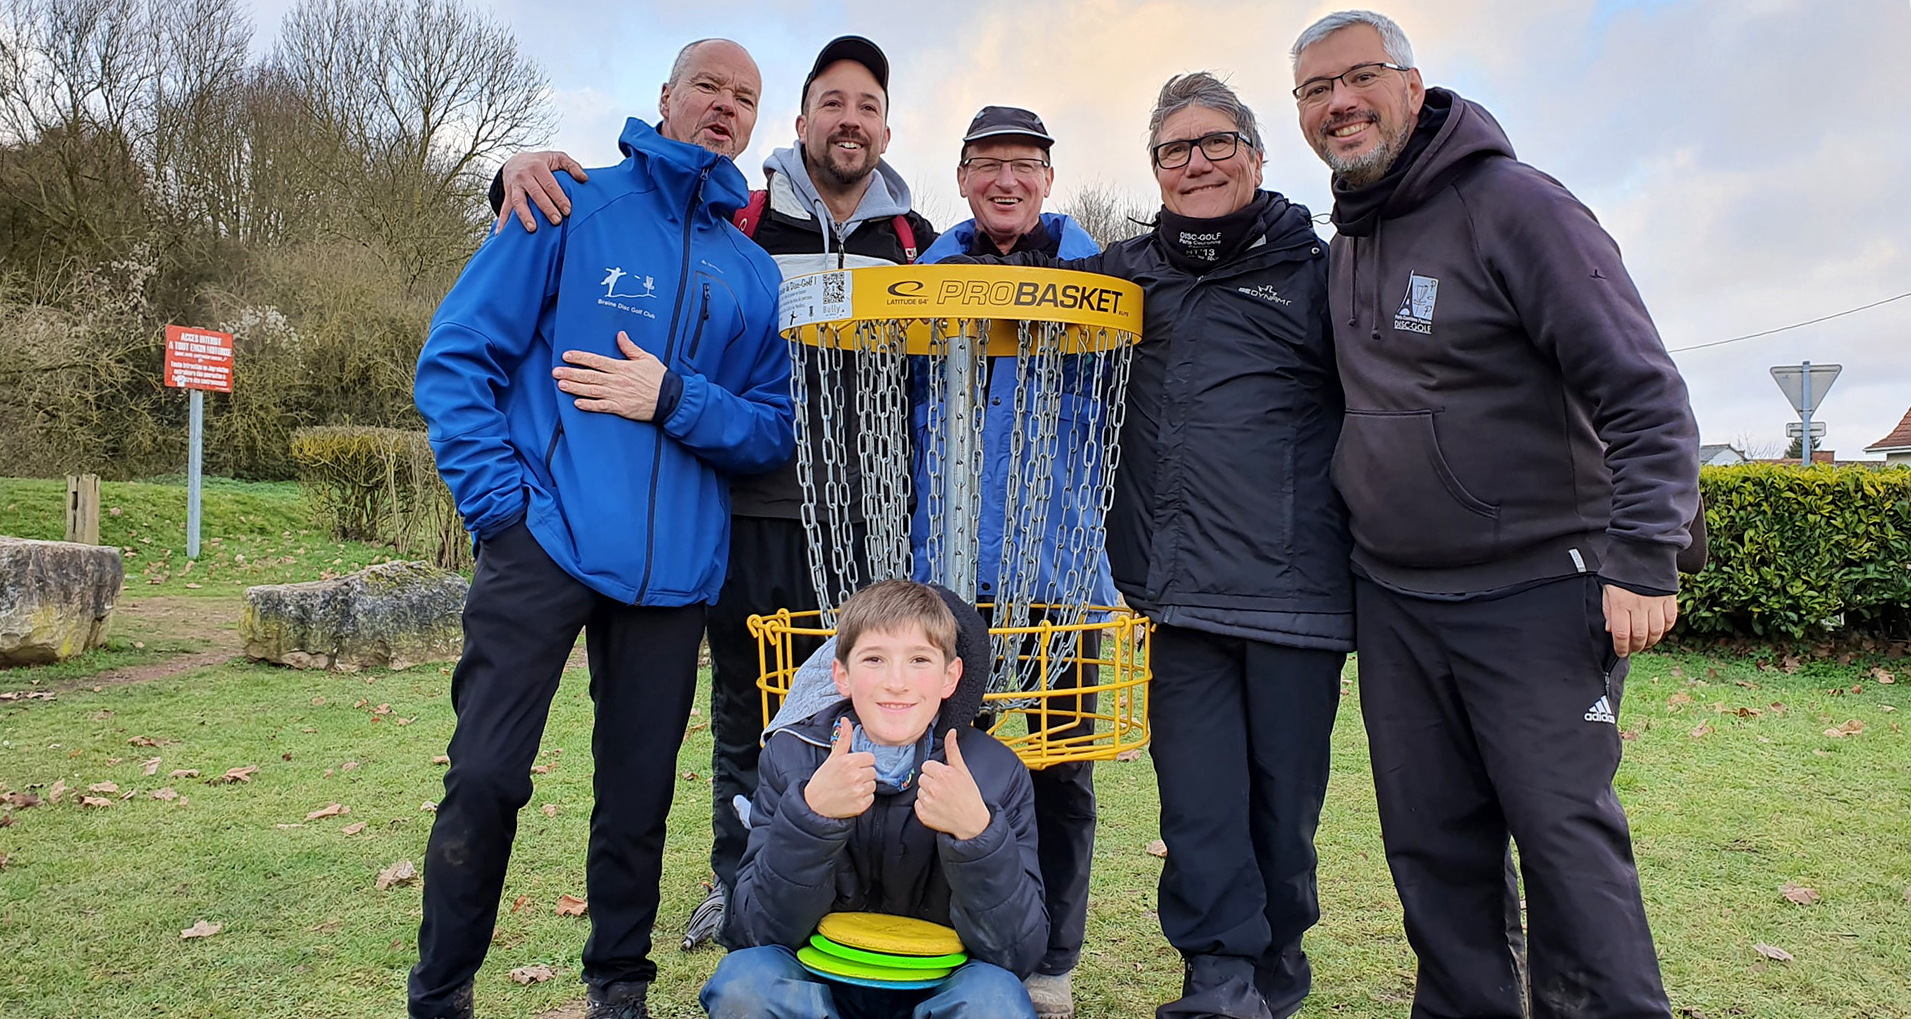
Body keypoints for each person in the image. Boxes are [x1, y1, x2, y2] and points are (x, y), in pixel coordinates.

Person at [1289, 11, 1701, 1019]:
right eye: (1314, 90)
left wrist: (1645, 553)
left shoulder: (1516, 206)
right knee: (1433, 850)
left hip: (1536, 589)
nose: (1339, 103)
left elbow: (1643, 390)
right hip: (1397, 598)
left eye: (1359, 78)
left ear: (1413, 85)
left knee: (1565, 842)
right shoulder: (1348, 242)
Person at [491, 37, 938, 951]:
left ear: (886, 129)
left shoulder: (919, 243)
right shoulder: (740, 218)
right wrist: (508, 171)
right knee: (748, 704)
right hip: (745, 507)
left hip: (865, 520)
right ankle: (738, 882)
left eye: (866, 107)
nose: (848, 121)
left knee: (864, 707)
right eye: (831, 103)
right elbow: (630, 230)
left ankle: (845, 888)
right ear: (801, 120)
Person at [948, 74, 1354, 1019]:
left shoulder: (1320, 273)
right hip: (1174, 594)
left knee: (1282, 818)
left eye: (1216, 144)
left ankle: (1276, 969)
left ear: (1255, 156)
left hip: (1295, 594)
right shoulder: (1127, 279)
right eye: (1175, 150)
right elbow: (998, 281)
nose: (1197, 163)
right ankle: (1215, 983)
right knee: (1199, 810)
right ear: (1155, 169)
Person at [408, 39, 793, 1019]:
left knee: (637, 797)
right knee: (487, 774)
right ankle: (442, 989)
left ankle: (618, 984)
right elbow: (457, 361)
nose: (724, 106)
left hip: (674, 575)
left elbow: (769, 430)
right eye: (708, 85)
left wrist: (674, 395)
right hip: (545, 541)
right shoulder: (567, 206)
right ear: (665, 96)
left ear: (756, 122)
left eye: (744, 97)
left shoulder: (752, 273)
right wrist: (503, 510)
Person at [912, 104, 1108, 1019]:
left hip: (1064, 569)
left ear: (1047, 180)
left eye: (1023, 164)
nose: (1006, 180)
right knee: (948, 760)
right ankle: (954, 940)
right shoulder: (924, 279)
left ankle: (1052, 960)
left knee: (1064, 768)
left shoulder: (1098, 277)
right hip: (953, 573)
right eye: (988, 163)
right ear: (960, 179)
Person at [701, 579, 1044, 1019]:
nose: (896, 683)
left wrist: (977, 836)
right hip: (818, 988)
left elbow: (1017, 954)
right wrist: (811, 818)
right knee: (743, 984)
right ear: (842, 674)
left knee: (995, 1000)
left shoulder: (995, 773)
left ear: (950, 677)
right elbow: (753, 932)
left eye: (919, 660)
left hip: (940, 989)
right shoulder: (792, 758)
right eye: (874, 660)